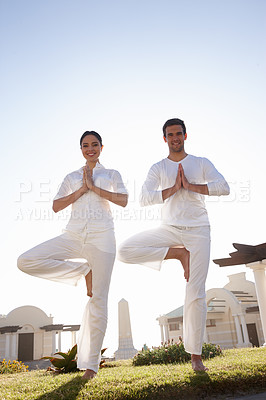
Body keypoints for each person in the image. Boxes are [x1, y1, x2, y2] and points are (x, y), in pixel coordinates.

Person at [118, 118, 230, 371]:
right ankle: (178, 254)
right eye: (170, 135)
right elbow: (144, 198)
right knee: (125, 250)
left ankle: (195, 356)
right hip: (169, 229)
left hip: (199, 230)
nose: (175, 138)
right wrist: (173, 189)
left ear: (185, 136)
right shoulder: (158, 168)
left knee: (195, 293)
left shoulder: (201, 163)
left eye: (179, 134)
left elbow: (224, 187)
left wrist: (190, 186)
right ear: (165, 138)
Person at [17, 131, 128, 380]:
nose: (90, 149)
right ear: (81, 149)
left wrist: (95, 188)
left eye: (95, 144)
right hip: (73, 236)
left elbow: (123, 200)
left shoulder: (111, 174)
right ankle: (82, 270)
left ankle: (91, 366)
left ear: (101, 147)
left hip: (102, 239)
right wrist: (81, 190)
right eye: (86, 145)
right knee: (25, 260)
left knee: (98, 300)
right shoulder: (71, 177)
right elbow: (56, 206)